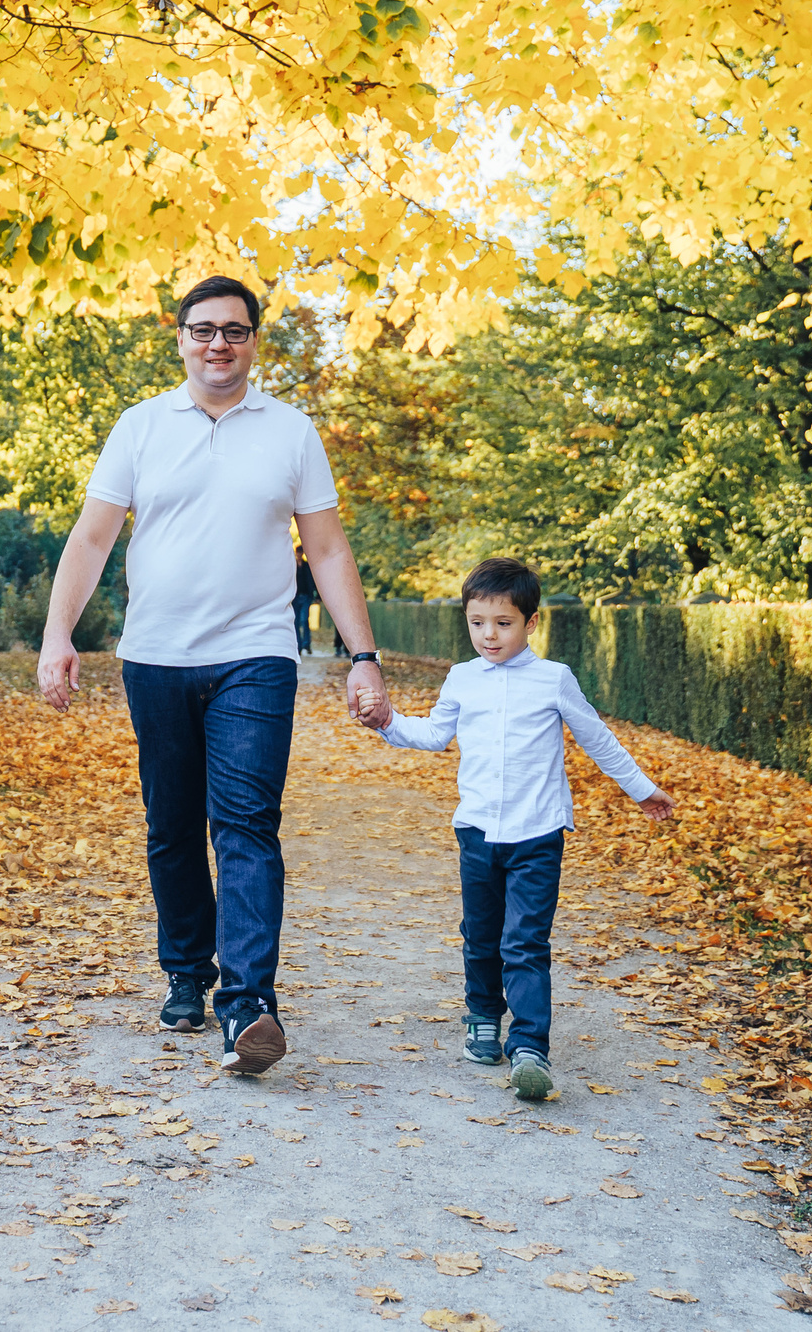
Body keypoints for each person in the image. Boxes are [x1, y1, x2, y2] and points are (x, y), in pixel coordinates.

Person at [40, 275, 394, 1075]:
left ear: (254, 341)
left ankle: (248, 1005)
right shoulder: (139, 427)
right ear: (180, 339)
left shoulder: (292, 432)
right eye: (203, 330)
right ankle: (186, 971)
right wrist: (58, 632)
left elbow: (328, 550)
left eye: (234, 330)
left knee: (244, 824)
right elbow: (92, 539)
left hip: (256, 656)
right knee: (172, 827)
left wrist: (362, 656)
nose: (218, 344)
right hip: (156, 656)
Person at [358, 556, 674, 1100]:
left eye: (503, 623)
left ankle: (530, 1047)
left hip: (538, 834)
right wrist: (388, 723)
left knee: (525, 942)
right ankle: (483, 1017)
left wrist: (642, 789)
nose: (489, 634)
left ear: (530, 623)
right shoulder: (462, 678)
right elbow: (435, 734)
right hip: (477, 833)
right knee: (481, 937)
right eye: (477, 622)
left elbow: (597, 738)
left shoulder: (554, 679)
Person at [292, 544, 321, 655]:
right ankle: (298, 645)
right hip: (294, 597)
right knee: (296, 621)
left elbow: (314, 581)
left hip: (305, 596)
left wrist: (317, 596)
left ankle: (306, 644)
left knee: (304, 620)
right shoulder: (292, 565)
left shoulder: (307, 566)